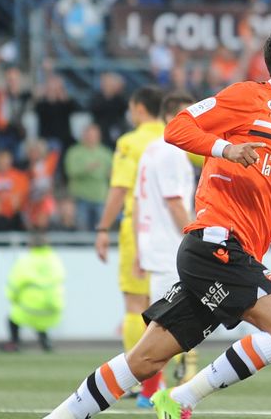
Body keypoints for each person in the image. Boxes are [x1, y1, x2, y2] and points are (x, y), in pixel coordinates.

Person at [43, 20, 271, 419]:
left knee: (144, 361)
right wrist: (226, 150)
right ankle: (184, 398)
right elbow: (177, 127)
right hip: (217, 243)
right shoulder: (247, 97)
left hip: (227, 258)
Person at [93, 86, 166, 399]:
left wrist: (102, 227)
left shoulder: (130, 142)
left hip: (139, 227)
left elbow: (120, 188)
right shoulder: (174, 135)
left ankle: (137, 378)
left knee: (135, 306)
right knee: (164, 307)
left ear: (138, 109)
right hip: (173, 231)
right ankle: (163, 378)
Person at [132, 91, 198, 407]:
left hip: (153, 246)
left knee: (163, 324)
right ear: (172, 116)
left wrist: (137, 251)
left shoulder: (151, 150)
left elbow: (137, 202)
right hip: (171, 249)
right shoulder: (172, 151)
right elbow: (174, 204)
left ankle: (148, 392)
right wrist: (195, 240)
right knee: (167, 327)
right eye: (189, 114)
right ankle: (152, 393)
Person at [0, 232, 66, 353]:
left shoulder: (26, 260)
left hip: (29, 306)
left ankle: (14, 342)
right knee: (40, 322)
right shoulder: (54, 259)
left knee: (13, 318)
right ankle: (45, 341)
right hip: (52, 305)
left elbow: (15, 282)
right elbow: (61, 279)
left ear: (31, 245)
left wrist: (12, 298)